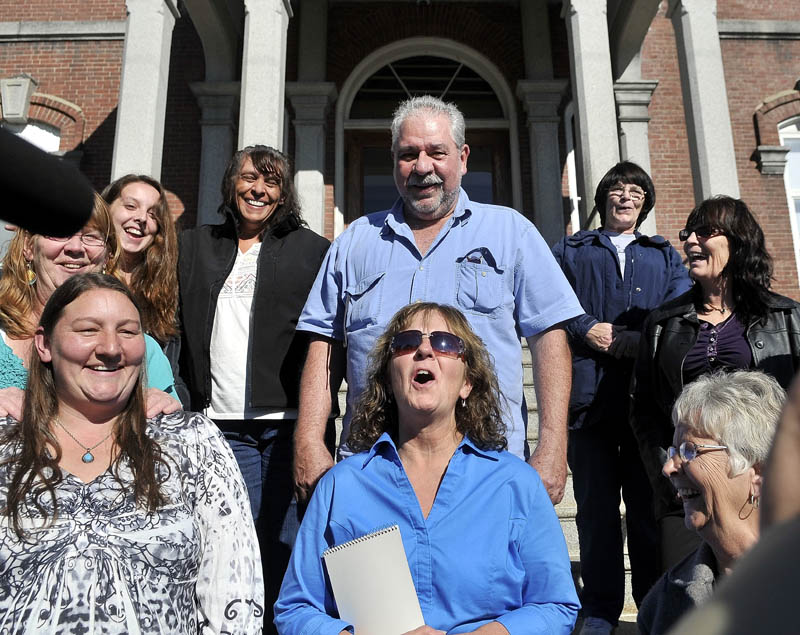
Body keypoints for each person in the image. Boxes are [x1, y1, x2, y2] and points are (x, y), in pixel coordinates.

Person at [294, 95, 582, 507]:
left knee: (485, 575)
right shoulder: (354, 242)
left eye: (437, 153)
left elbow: (549, 339)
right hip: (373, 472)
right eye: (409, 154)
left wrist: (553, 445)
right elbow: (324, 344)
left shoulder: (511, 233)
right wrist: (308, 440)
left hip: (486, 471)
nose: (423, 167)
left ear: (462, 158)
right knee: (373, 575)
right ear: (393, 160)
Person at [275, 302, 580, 634]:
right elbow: (296, 609)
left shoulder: (516, 484)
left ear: (467, 384)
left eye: (445, 343)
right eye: (406, 343)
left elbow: (555, 604)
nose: (424, 350)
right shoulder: (341, 486)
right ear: (389, 381)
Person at [0, 273, 263, 633]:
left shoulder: (193, 443)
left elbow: (235, 597)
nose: (111, 347)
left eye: (127, 331)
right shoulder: (5, 447)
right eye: (88, 330)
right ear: (44, 345)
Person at [177, 145, 330, 633]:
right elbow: (174, 324)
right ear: (231, 183)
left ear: (283, 193)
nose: (258, 189)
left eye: (271, 182)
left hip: (287, 426)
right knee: (234, 547)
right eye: (248, 178)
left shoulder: (312, 250)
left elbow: (328, 339)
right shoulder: (196, 245)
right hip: (221, 426)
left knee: (285, 546)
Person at [552, 161, 691, 634]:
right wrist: (585, 328)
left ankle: (654, 605)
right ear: (602, 198)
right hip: (587, 399)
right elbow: (552, 298)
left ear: (645, 203)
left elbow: (676, 309)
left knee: (649, 506)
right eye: (617, 189)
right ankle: (599, 610)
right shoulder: (573, 249)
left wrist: (631, 340)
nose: (626, 196)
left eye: (635, 191)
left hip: (644, 401)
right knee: (595, 511)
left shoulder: (664, 255)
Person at [631, 195, 800, 571]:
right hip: (687, 490)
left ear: (738, 242)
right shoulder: (662, 324)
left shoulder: (788, 319)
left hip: (766, 487)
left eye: (705, 232)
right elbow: (644, 412)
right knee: (690, 599)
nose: (690, 241)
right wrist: (672, 475)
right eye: (687, 233)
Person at [0, 193, 181, 420]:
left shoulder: (138, 348)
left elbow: (173, 440)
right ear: (28, 246)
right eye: (58, 232)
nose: (75, 247)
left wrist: (164, 406)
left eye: (91, 236)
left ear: (107, 255)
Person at [636, 370, 784, 634]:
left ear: (759, 472)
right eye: (673, 452)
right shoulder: (664, 603)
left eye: (690, 451)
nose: (668, 467)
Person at [101, 174, 179, 348]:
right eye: (131, 206)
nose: (142, 218)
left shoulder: (167, 286)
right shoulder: (83, 271)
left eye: (153, 214)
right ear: (106, 209)